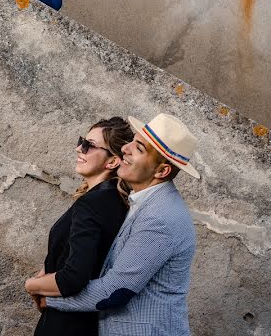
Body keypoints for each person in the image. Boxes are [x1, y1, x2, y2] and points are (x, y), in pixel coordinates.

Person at [41, 113, 200, 336]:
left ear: (161, 171)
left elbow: (114, 291)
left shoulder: (160, 218)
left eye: (139, 149)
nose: (126, 148)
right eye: (132, 141)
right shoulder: (143, 201)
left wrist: (47, 298)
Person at [24, 118, 134, 336]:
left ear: (112, 161)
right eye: (82, 141)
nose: (79, 148)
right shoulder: (115, 201)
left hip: (66, 325)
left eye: (89, 145)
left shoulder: (92, 204)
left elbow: (74, 277)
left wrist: (31, 285)